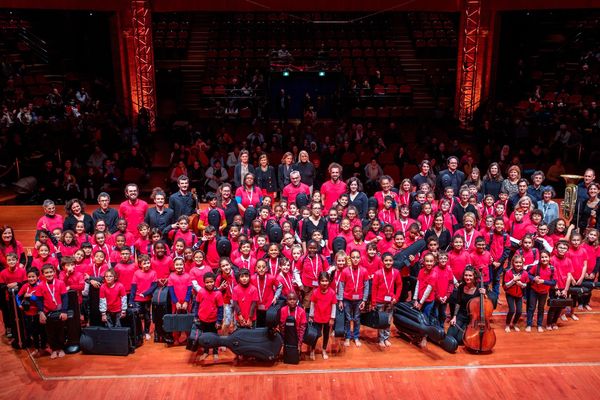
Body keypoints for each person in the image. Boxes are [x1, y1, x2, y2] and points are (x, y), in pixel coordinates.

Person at [35, 264, 68, 359]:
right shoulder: (40, 285)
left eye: (50, 272)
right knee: (50, 332)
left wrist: (64, 311)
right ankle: (54, 349)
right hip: (47, 313)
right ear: (43, 274)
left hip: (60, 311)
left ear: (54, 272)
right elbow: (39, 300)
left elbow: (65, 298)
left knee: (61, 331)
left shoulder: (60, 283)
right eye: (46, 273)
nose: (49, 274)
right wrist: (41, 312)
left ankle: (61, 348)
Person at [337, 249, 369, 347]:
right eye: (353, 257)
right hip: (347, 299)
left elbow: (366, 286)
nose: (355, 259)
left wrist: (364, 299)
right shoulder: (345, 271)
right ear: (350, 259)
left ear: (360, 258)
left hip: (359, 299)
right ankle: (347, 337)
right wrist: (340, 300)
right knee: (347, 318)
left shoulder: (364, 271)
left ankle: (355, 337)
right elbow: (341, 286)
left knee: (357, 318)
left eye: (357, 257)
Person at [447, 266, 486, 345]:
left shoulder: (479, 288)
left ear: (474, 276)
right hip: (461, 315)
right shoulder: (461, 287)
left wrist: (485, 295)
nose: (467, 277)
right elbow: (458, 302)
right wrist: (454, 316)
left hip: (472, 319)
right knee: (449, 335)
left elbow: (485, 305)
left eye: (470, 275)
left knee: (459, 340)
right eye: (466, 275)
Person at [371, 252, 402, 347]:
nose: (388, 262)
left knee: (388, 321)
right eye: (386, 260)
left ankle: (386, 338)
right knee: (381, 321)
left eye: (390, 260)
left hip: (390, 301)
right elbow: (374, 288)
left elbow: (400, 285)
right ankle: (380, 339)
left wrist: (396, 298)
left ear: (393, 261)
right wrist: (373, 303)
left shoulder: (396, 272)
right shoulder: (378, 273)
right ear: (382, 262)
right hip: (379, 301)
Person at [193, 272, 223, 361]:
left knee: (214, 336)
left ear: (214, 282)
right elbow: (197, 305)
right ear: (204, 283)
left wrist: (219, 321)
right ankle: (206, 352)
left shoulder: (218, 293)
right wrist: (196, 316)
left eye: (211, 282)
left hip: (214, 320)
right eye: (207, 282)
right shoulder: (201, 292)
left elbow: (221, 308)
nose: (209, 284)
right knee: (205, 336)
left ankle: (215, 352)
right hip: (203, 319)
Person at [526, 250, 555, 332]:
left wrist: (544, 281)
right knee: (531, 308)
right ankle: (529, 324)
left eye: (546, 257)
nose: (544, 259)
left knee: (541, 308)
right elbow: (528, 274)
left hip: (544, 292)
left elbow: (553, 282)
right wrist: (534, 278)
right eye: (542, 257)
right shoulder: (536, 266)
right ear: (540, 258)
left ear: (549, 258)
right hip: (534, 290)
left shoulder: (552, 269)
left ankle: (539, 325)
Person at [503, 255, 529, 332]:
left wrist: (520, 284)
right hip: (510, 294)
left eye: (520, 262)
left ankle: (514, 323)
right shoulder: (508, 272)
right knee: (511, 310)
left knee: (519, 311)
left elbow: (525, 285)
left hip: (519, 295)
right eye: (516, 262)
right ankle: (507, 324)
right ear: (513, 263)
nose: (518, 264)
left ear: (523, 263)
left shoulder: (525, 273)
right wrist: (513, 281)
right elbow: (506, 285)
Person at [279, 292, 307, 357]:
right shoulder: (283, 310)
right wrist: (284, 342)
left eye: (294, 299)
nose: (292, 301)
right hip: (287, 335)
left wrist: (299, 344)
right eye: (290, 299)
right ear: (286, 301)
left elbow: (302, 329)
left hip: (297, 335)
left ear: (297, 301)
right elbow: (282, 327)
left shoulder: (301, 311)